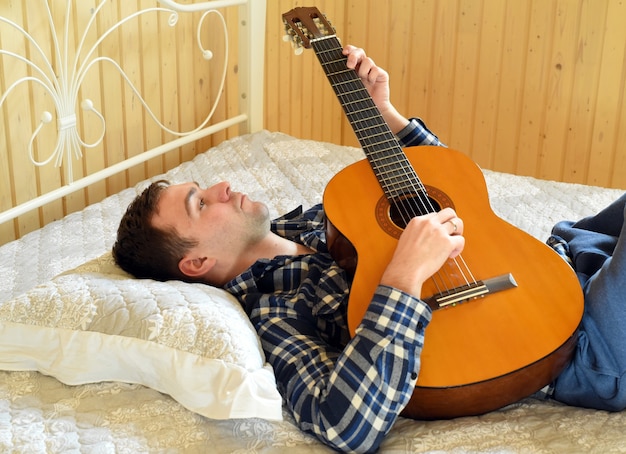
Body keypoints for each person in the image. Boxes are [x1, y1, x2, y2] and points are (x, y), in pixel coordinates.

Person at [112, 45, 626, 453]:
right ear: (197, 263)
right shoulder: (273, 313)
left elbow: (452, 188)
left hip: (566, 252)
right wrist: (402, 278)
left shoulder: (324, 215)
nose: (223, 186)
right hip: (573, 345)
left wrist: (388, 117)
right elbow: (344, 424)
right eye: (202, 204)